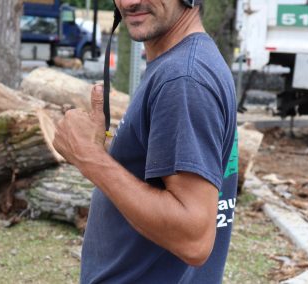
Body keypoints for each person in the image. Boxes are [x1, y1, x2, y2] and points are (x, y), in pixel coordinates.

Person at [52, 0, 238, 283]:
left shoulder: (183, 79)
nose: (129, 2)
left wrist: (89, 157)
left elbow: (194, 240)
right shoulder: (180, 63)